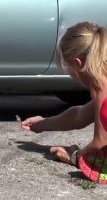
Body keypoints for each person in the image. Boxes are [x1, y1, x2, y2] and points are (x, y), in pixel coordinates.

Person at [21, 22, 107, 184]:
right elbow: (80, 116)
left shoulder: (102, 90)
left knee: (96, 165)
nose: (71, 75)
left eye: (68, 69)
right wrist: (43, 123)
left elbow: (101, 143)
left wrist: (75, 156)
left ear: (78, 64)